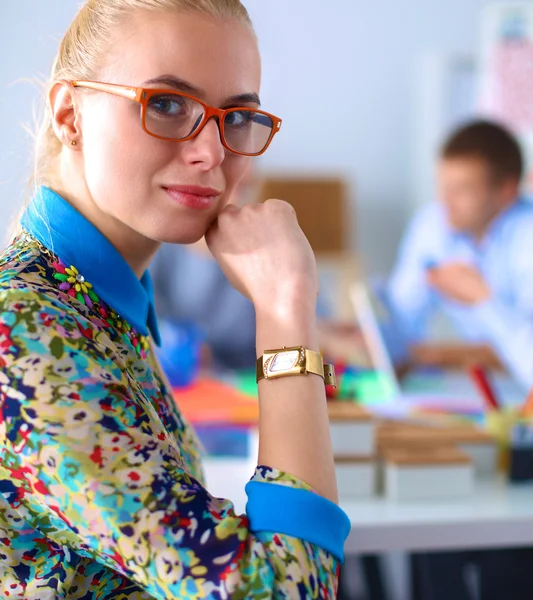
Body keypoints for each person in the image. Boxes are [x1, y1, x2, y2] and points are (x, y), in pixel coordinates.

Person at [0, 1, 350, 597]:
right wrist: (286, 308)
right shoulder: (26, 329)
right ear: (70, 115)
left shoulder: (93, 303)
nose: (212, 152)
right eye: (165, 104)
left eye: (236, 117)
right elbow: (280, 591)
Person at [387, 119, 533, 390]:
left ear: (506, 191)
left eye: (463, 189)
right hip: (479, 384)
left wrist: (483, 299)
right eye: (444, 186)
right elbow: (401, 321)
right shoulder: (433, 223)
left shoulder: (527, 236)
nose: (446, 201)